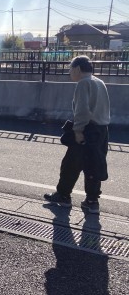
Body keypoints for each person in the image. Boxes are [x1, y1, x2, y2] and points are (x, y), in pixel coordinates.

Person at [44, 55, 110, 214]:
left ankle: (63, 196)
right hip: (102, 130)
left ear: (78, 69)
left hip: (87, 129)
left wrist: (78, 131)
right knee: (94, 165)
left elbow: (82, 110)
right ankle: (92, 201)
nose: (69, 72)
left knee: (71, 164)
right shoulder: (99, 82)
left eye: (70, 69)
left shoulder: (83, 83)